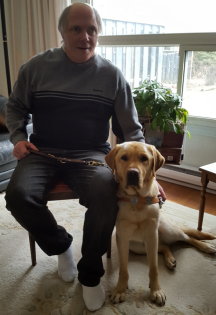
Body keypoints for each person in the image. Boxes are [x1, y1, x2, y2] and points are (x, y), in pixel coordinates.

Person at [5, 3, 166, 312]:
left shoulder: (112, 75)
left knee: (106, 195)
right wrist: (19, 138)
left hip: (92, 154)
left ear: (98, 33)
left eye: (92, 29)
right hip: (43, 150)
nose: (85, 36)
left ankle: (90, 275)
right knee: (18, 196)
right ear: (62, 32)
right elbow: (14, 108)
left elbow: (131, 129)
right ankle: (62, 245)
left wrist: (149, 177)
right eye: (76, 29)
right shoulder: (36, 68)